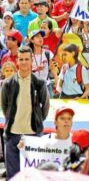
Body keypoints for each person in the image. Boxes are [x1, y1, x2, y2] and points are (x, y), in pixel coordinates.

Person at [1, 46, 50, 180]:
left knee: (33, 176)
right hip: (12, 136)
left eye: (26, 59)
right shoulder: (7, 83)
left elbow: (45, 107)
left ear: (31, 61)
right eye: (21, 59)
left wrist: (37, 120)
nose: (23, 62)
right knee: (12, 176)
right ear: (17, 61)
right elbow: (5, 107)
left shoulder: (39, 83)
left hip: (33, 135)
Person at [27, 30, 56, 97]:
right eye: (37, 37)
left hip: (46, 86)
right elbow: (24, 71)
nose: (40, 38)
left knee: (48, 106)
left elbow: (53, 69)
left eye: (41, 37)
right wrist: (35, 69)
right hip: (32, 87)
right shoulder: (28, 54)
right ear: (32, 40)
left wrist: (56, 83)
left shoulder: (48, 53)